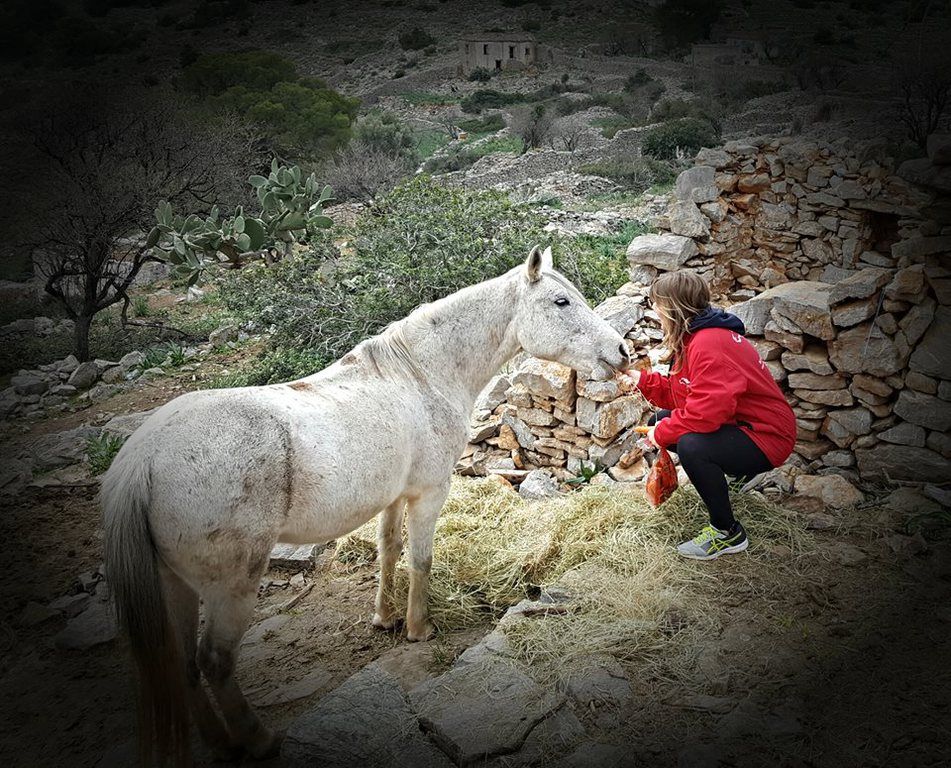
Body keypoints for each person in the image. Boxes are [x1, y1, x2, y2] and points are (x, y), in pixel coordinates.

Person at [618, 270, 796, 560]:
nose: (655, 312)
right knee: (662, 420)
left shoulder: (708, 343)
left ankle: (727, 532)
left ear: (674, 308)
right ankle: (741, 474)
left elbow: (705, 414)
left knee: (692, 445)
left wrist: (660, 435)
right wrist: (642, 380)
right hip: (744, 425)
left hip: (767, 436)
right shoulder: (696, 337)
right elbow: (685, 395)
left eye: (658, 305)